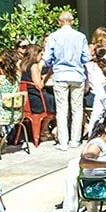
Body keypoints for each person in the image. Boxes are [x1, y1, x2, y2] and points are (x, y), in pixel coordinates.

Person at [40, 9, 89, 148]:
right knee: (77, 109)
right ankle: (75, 140)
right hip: (77, 75)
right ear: (72, 22)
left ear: (59, 22)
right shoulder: (81, 36)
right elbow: (86, 58)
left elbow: (48, 58)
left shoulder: (54, 36)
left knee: (61, 110)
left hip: (61, 74)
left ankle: (63, 142)